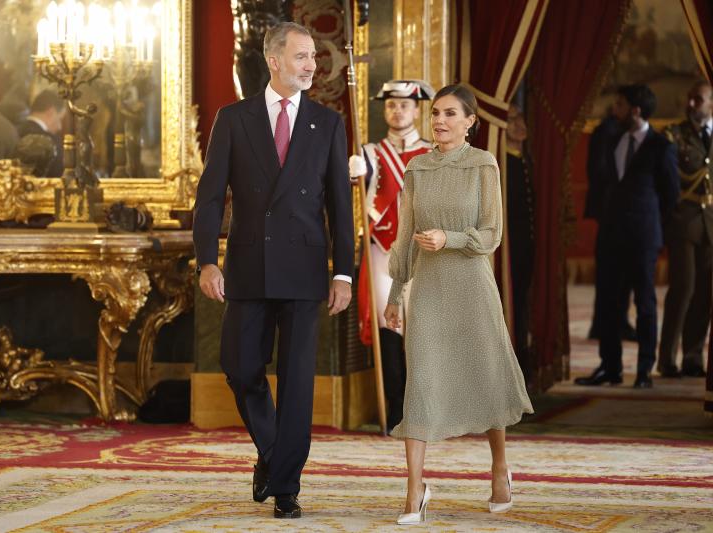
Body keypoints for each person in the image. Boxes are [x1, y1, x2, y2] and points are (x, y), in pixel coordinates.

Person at [192, 22, 353, 520]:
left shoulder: (326, 124)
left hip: (305, 269)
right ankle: (272, 452)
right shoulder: (233, 118)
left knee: (298, 380)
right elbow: (211, 196)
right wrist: (206, 259)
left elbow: (339, 208)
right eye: (302, 56)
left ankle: (285, 486)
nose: (311, 65)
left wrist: (343, 272)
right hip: (247, 264)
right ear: (275, 60)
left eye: (313, 58)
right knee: (240, 369)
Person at [383, 84, 533, 525]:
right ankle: (414, 492)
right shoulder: (417, 169)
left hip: (472, 287)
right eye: (435, 114)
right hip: (427, 292)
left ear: (470, 122)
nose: (440, 121)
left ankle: (500, 467)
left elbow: (492, 235)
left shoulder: (483, 165)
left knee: (485, 377)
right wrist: (395, 294)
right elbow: (405, 236)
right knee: (421, 384)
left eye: (450, 114)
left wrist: (451, 239)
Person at [575, 84, 679, 389]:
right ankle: (610, 367)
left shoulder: (661, 146)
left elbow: (670, 194)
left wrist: (651, 224)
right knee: (608, 302)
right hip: (610, 234)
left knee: (645, 303)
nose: (614, 110)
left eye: (619, 105)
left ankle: (645, 370)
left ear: (635, 110)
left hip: (644, 236)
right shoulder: (611, 139)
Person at [349, 79, 433, 432]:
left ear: (416, 110)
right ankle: (395, 412)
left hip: (423, 254)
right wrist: (352, 175)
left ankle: (426, 412)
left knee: (423, 332)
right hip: (383, 252)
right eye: (390, 105)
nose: (397, 111)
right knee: (389, 330)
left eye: (403, 105)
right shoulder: (369, 153)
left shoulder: (433, 153)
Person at [658, 81, 713, 379]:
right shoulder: (674, 135)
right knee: (683, 289)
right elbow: (667, 180)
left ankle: (693, 356)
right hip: (684, 221)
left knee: (705, 293)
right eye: (690, 99)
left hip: (710, 223)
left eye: (699, 99)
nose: (692, 104)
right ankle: (667, 358)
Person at [585, 111, 637, 342]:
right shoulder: (607, 132)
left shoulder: (621, 132)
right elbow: (599, 171)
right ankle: (604, 324)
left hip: (624, 214)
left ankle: (616, 321)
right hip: (610, 213)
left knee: (623, 274)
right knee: (609, 273)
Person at [505, 104, 535, 385]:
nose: (519, 124)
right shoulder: (501, 163)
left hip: (527, 244)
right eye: (511, 120)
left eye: (520, 117)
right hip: (508, 249)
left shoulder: (527, 160)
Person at [17, 89, 66, 177]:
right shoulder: (52, 141)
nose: (60, 127)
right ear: (50, 112)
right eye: (60, 119)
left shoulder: (14, 132)